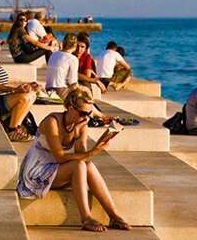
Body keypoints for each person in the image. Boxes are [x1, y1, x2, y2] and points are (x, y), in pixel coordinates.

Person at [17, 87, 132, 232]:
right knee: (78, 166)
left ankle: (113, 215)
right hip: (37, 171)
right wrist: (94, 151)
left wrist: (82, 136)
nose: (86, 118)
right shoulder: (52, 122)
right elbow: (60, 157)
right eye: (83, 113)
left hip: (56, 170)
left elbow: (81, 155)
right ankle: (86, 218)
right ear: (70, 108)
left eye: (89, 114)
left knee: (87, 166)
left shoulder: (81, 125)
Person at [45, 33, 79, 99]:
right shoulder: (72, 58)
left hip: (48, 89)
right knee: (85, 90)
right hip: (60, 91)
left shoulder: (54, 54)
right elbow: (72, 81)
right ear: (75, 45)